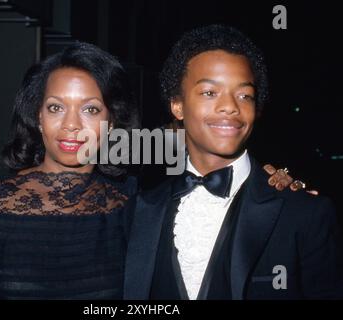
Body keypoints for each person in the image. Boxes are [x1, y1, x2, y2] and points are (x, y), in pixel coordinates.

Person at [0, 41, 300, 300]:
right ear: (37, 118)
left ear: (112, 121)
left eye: (91, 109)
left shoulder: (134, 205)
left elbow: (206, 139)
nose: (72, 126)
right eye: (56, 108)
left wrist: (265, 179)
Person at [124, 25, 343, 299]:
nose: (230, 106)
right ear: (177, 106)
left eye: (244, 95)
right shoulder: (139, 209)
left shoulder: (305, 213)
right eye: (209, 92)